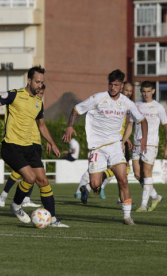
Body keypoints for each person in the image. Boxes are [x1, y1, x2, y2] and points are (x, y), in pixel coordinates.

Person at [0, 66, 69, 227]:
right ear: (29, 80)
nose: (40, 85)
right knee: (30, 177)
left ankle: (53, 219)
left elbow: (41, 125)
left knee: (43, 181)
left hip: (29, 148)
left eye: (42, 82)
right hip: (11, 146)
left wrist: (52, 143)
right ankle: (16, 205)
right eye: (37, 82)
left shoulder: (38, 102)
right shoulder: (14, 95)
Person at [62, 69, 148, 225]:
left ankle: (127, 217)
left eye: (116, 85)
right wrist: (70, 126)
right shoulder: (98, 98)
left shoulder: (126, 102)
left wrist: (143, 140)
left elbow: (142, 120)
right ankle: (92, 187)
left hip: (115, 146)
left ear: (121, 85)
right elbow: (76, 109)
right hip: (97, 148)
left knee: (123, 179)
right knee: (95, 184)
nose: (113, 87)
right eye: (111, 84)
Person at [73, 81, 134, 200]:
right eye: (126, 90)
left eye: (131, 91)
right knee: (122, 170)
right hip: (113, 142)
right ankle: (95, 188)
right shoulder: (111, 102)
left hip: (120, 140)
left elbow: (125, 125)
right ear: (121, 89)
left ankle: (90, 188)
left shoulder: (126, 104)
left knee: (122, 170)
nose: (129, 93)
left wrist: (126, 139)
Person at [0, 85, 49, 208]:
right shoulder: (26, 102)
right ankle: (4, 194)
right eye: (39, 93)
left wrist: (48, 141)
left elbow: (42, 125)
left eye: (42, 94)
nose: (40, 95)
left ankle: (26, 198)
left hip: (36, 142)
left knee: (33, 174)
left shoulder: (38, 104)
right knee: (20, 171)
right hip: (27, 142)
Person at [123, 81, 167, 212]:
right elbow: (130, 125)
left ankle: (143, 204)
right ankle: (155, 196)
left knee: (146, 172)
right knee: (138, 175)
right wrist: (123, 141)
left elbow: (166, 126)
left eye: (148, 91)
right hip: (137, 144)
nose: (146, 94)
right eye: (144, 91)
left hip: (150, 144)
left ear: (153, 91)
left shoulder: (158, 107)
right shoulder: (136, 105)